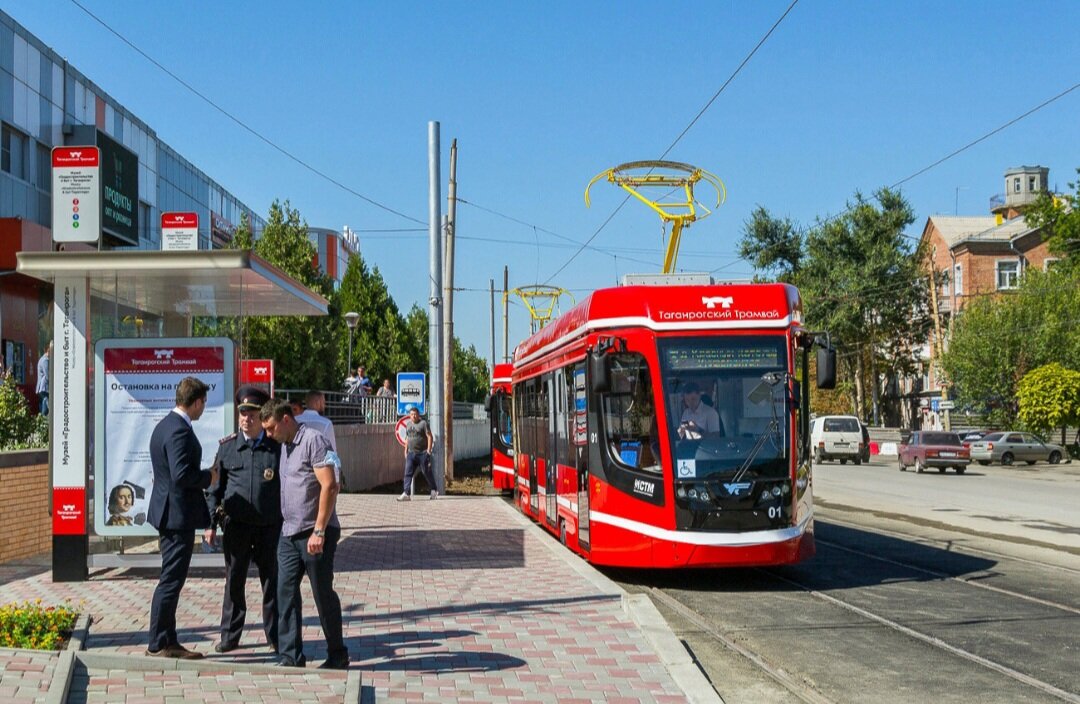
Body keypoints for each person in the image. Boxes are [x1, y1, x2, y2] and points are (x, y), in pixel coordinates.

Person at [260, 400, 348, 670]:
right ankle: (291, 656)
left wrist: (319, 530)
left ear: (286, 419)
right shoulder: (285, 446)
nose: (268, 434)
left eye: (271, 428)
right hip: (289, 533)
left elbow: (330, 485)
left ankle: (337, 653)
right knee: (284, 591)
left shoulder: (314, 441)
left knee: (322, 594)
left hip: (315, 532)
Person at [204, 385, 281, 655]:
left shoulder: (275, 448)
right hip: (236, 526)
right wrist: (211, 524)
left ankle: (275, 636)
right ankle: (230, 635)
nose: (246, 419)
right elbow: (214, 489)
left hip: (269, 526)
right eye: (242, 414)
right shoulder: (227, 448)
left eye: (251, 414)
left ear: (262, 417)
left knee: (271, 581)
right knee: (234, 581)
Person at [146, 377, 217, 660]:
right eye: (203, 404)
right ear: (196, 402)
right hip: (176, 516)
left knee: (171, 578)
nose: (203, 409)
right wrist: (208, 477)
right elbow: (181, 474)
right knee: (171, 580)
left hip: (171, 513)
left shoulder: (165, 425)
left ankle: (167, 639)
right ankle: (160, 642)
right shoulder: (178, 430)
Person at [397, 405, 436, 501]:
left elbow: (430, 437)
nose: (413, 416)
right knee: (408, 473)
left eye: (415, 414)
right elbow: (407, 438)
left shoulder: (423, 423)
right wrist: (405, 450)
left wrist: (428, 451)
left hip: (422, 453)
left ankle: (434, 490)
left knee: (426, 472)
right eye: (411, 414)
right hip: (411, 453)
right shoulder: (409, 424)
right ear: (409, 416)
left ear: (418, 415)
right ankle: (406, 493)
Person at [35, 342, 51, 416]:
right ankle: (43, 419)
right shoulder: (45, 360)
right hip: (44, 387)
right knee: (46, 403)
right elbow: (48, 375)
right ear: (48, 350)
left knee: (45, 403)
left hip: (42, 388)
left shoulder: (42, 359)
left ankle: (43, 418)